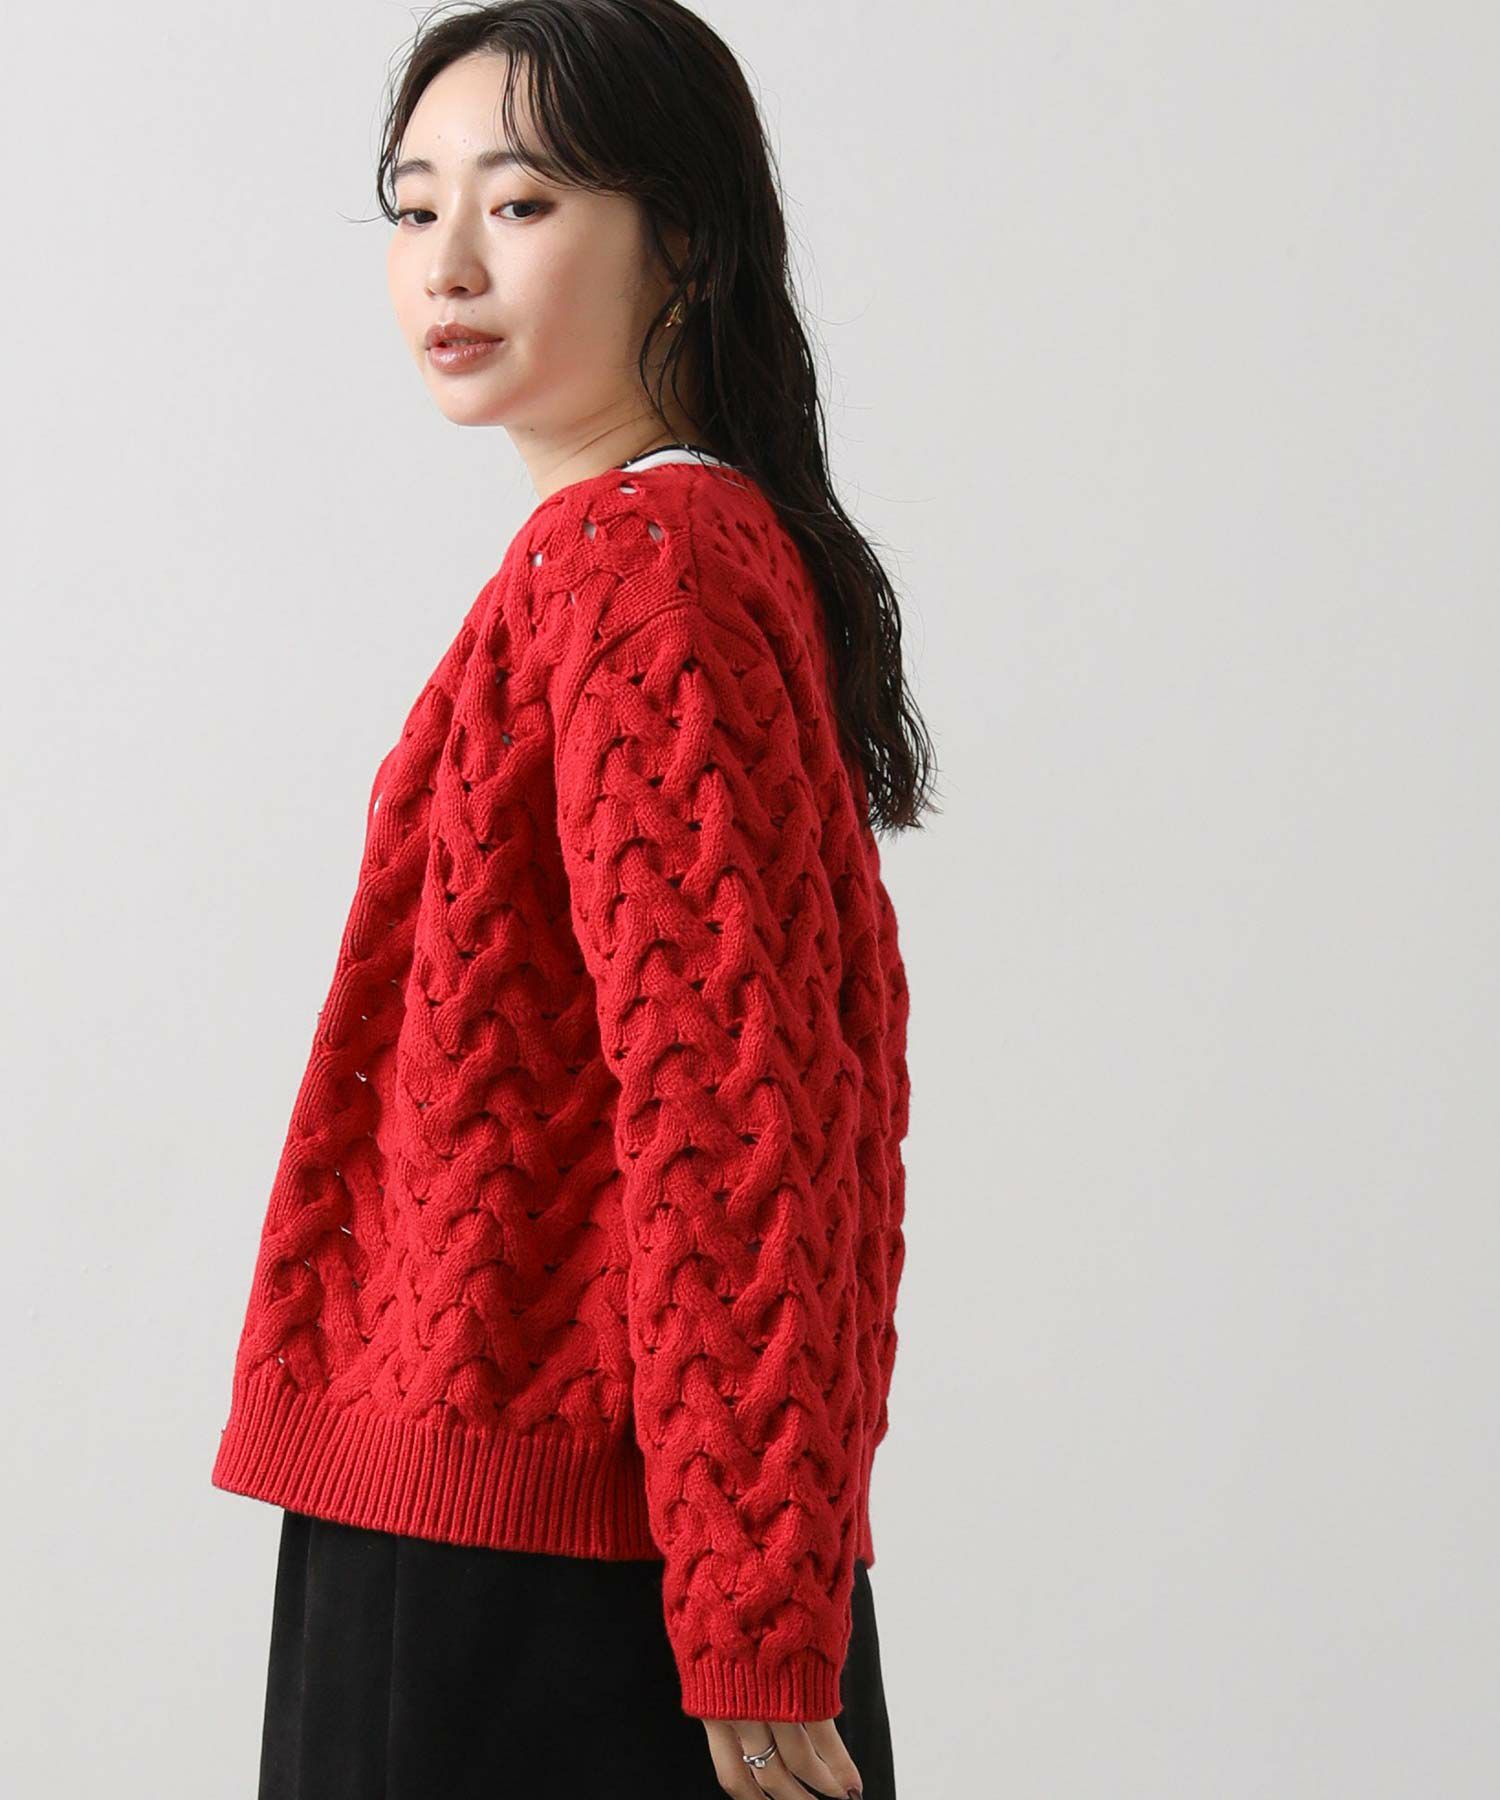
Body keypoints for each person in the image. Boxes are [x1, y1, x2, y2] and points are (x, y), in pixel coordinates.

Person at [209, 5, 938, 1796]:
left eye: (522, 204)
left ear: (683, 239)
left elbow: (735, 1112)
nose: (447, 263)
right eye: (413, 205)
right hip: (544, 1520)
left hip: (546, 1565)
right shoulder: (652, 551)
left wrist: (757, 1601)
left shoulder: (639, 566)